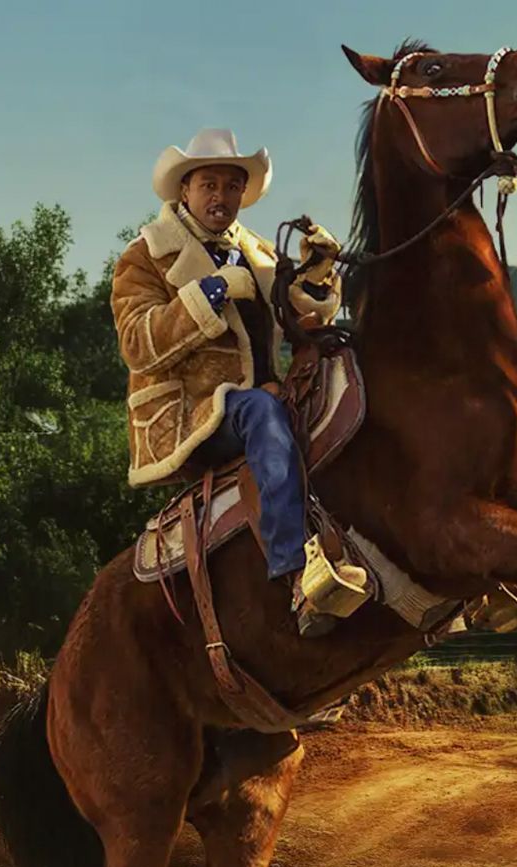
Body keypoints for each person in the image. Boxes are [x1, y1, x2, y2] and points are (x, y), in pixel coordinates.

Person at [111, 128, 344, 635]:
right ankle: (296, 572)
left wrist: (319, 272)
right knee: (260, 412)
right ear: (185, 191)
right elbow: (138, 342)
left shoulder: (256, 252)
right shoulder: (144, 256)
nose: (221, 198)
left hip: (265, 401)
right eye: (209, 185)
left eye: (231, 187)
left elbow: (306, 319)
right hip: (194, 414)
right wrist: (210, 292)